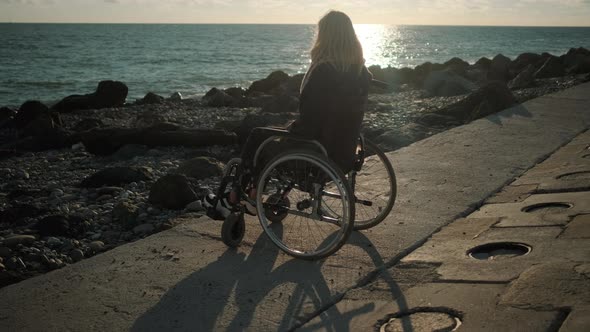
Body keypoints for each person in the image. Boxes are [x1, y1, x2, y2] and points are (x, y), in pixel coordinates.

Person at [204, 10, 372, 218]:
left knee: (259, 135)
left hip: (318, 150)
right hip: (344, 151)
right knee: (271, 137)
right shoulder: (361, 73)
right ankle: (253, 193)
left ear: (325, 36)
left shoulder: (324, 71)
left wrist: (289, 130)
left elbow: (310, 123)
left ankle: (233, 198)